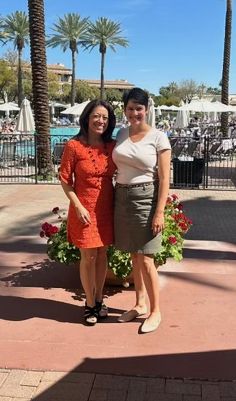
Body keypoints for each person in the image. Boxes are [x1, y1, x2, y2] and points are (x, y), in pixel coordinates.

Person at [112, 88, 171, 334]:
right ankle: (139, 302)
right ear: (124, 110)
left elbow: (165, 179)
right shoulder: (121, 133)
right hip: (121, 197)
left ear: (146, 109)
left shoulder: (158, 137)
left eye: (139, 108)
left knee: (146, 258)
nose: (134, 113)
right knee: (134, 255)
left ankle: (155, 311)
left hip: (146, 197)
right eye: (130, 108)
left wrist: (159, 212)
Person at [58, 100, 117, 326]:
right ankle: (89, 303)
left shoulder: (111, 146)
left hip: (106, 208)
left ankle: (100, 298)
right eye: (96, 116)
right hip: (83, 208)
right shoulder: (74, 145)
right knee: (88, 257)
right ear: (87, 118)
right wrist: (78, 205)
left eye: (105, 117)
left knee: (102, 255)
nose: (101, 121)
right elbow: (65, 180)